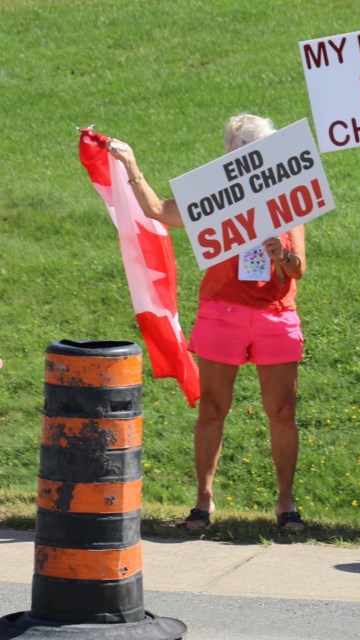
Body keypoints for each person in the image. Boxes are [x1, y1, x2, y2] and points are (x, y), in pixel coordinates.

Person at [108, 114, 308, 531]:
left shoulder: (288, 198)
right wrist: (131, 165)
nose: (244, 157)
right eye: (238, 149)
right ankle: (203, 502)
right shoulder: (215, 196)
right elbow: (158, 210)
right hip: (224, 312)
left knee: (282, 411)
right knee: (213, 407)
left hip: (275, 313)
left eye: (253, 150)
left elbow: (298, 270)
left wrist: (281, 256)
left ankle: (286, 504)